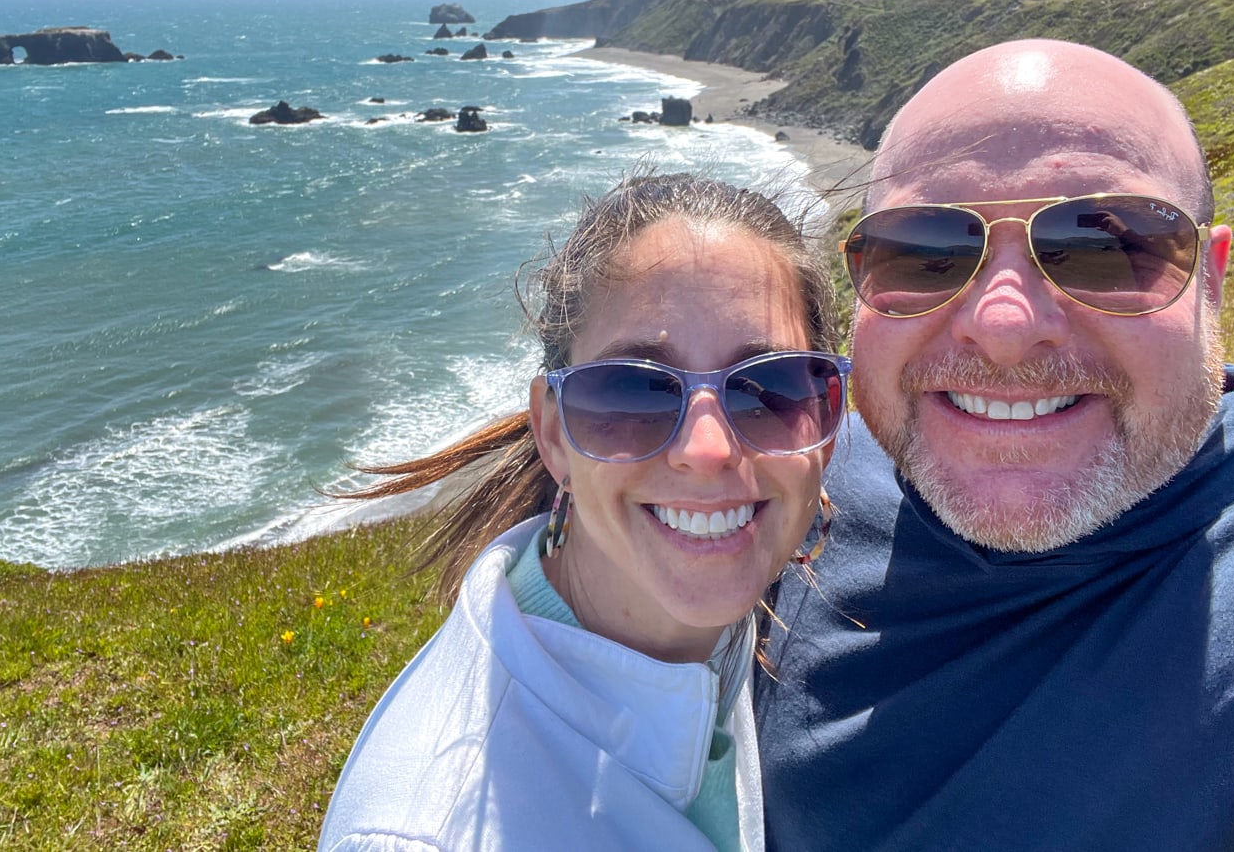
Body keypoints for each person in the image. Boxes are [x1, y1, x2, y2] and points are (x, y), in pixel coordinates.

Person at [756, 38, 1234, 851]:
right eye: (927, 251)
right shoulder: (798, 478)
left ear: (1211, 279)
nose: (1002, 327)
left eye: (1107, 244)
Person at [319, 172, 851, 851]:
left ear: (828, 423)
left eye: (769, 387)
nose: (708, 449)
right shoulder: (425, 832)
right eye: (633, 391)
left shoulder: (714, 611)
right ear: (552, 433)